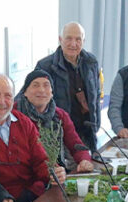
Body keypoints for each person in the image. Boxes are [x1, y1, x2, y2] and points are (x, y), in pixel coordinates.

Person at [0, 74, 63, 202]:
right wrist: (1, 197)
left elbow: (41, 160)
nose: (2, 101)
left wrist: (54, 171)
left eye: (8, 95)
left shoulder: (23, 122)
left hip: (31, 198)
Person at [36, 22, 102, 151]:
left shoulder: (91, 62)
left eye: (78, 39)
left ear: (83, 41)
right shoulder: (45, 66)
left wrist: (97, 124)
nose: (73, 44)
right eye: (69, 38)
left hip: (88, 133)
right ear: (60, 39)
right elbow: (36, 101)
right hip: (60, 136)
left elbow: (97, 94)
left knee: (91, 168)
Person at [14, 69, 94, 172]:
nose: (41, 90)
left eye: (46, 85)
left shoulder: (60, 115)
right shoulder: (14, 115)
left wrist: (84, 160)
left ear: (52, 93)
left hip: (57, 173)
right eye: (35, 85)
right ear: (25, 92)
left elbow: (76, 145)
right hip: (26, 175)